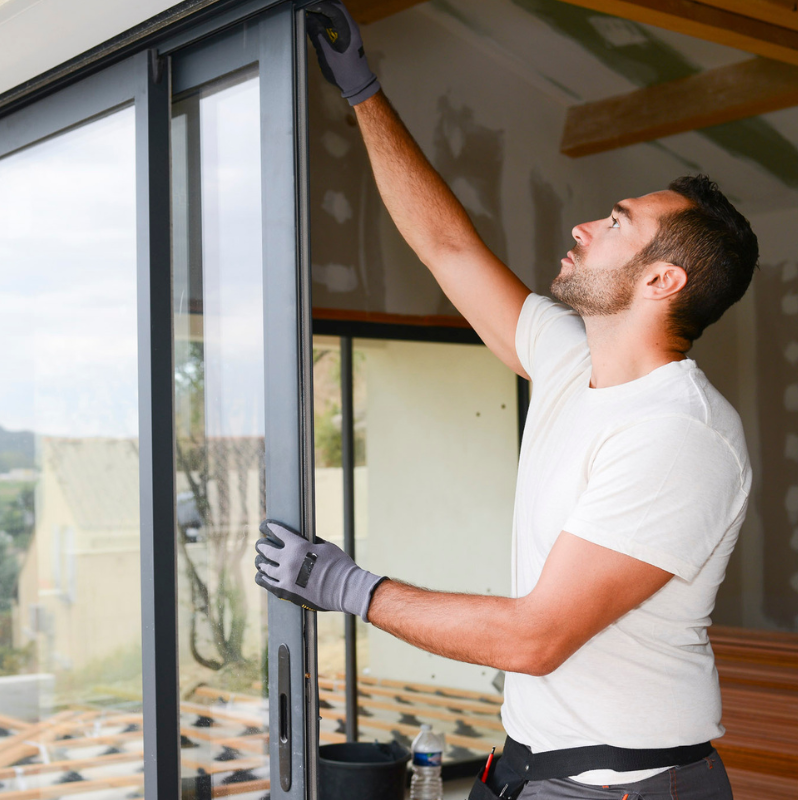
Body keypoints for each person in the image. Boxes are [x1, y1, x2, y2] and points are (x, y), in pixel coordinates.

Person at [253, 3, 758, 798]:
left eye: (617, 223)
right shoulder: (569, 360)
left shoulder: (680, 434)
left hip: (622, 788)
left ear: (664, 281)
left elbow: (537, 637)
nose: (587, 224)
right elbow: (448, 247)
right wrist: (363, 93)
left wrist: (350, 589)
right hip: (533, 770)